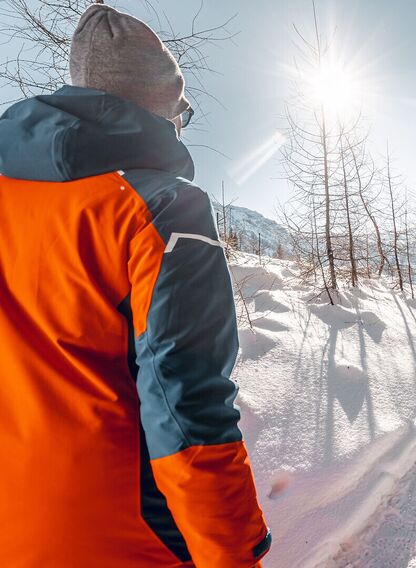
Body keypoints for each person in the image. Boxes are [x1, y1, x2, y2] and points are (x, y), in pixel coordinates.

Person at [0, 5, 269, 567]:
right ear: (157, 103)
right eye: (182, 111)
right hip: (124, 537)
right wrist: (233, 554)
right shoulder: (165, 208)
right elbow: (184, 402)